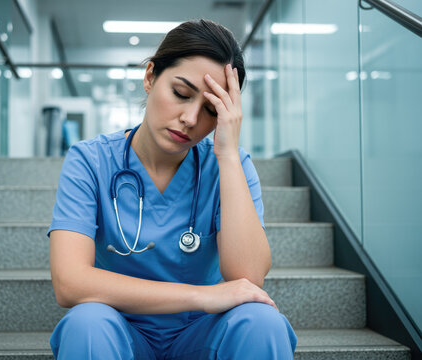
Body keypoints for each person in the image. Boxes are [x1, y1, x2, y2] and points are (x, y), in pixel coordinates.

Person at [47, 19, 297, 359]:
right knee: (87, 322)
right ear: (150, 77)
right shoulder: (89, 161)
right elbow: (70, 282)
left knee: (262, 321)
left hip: (202, 333)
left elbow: (248, 278)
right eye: (181, 93)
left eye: (211, 110)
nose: (191, 119)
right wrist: (200, 296)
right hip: (118, 331)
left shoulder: (231, 166)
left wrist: (226, 155)